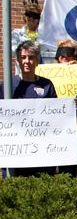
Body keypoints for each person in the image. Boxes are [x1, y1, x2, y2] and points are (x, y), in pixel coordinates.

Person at [2, 41, 57, 177]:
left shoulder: (46, 85)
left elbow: (57, 115)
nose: (27, 61)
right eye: (23, 57)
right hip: (15, 152)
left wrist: (71, 106)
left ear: (37, 61)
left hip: (42, 153)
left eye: (31, 57)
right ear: (18, 60)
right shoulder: (7, 85)